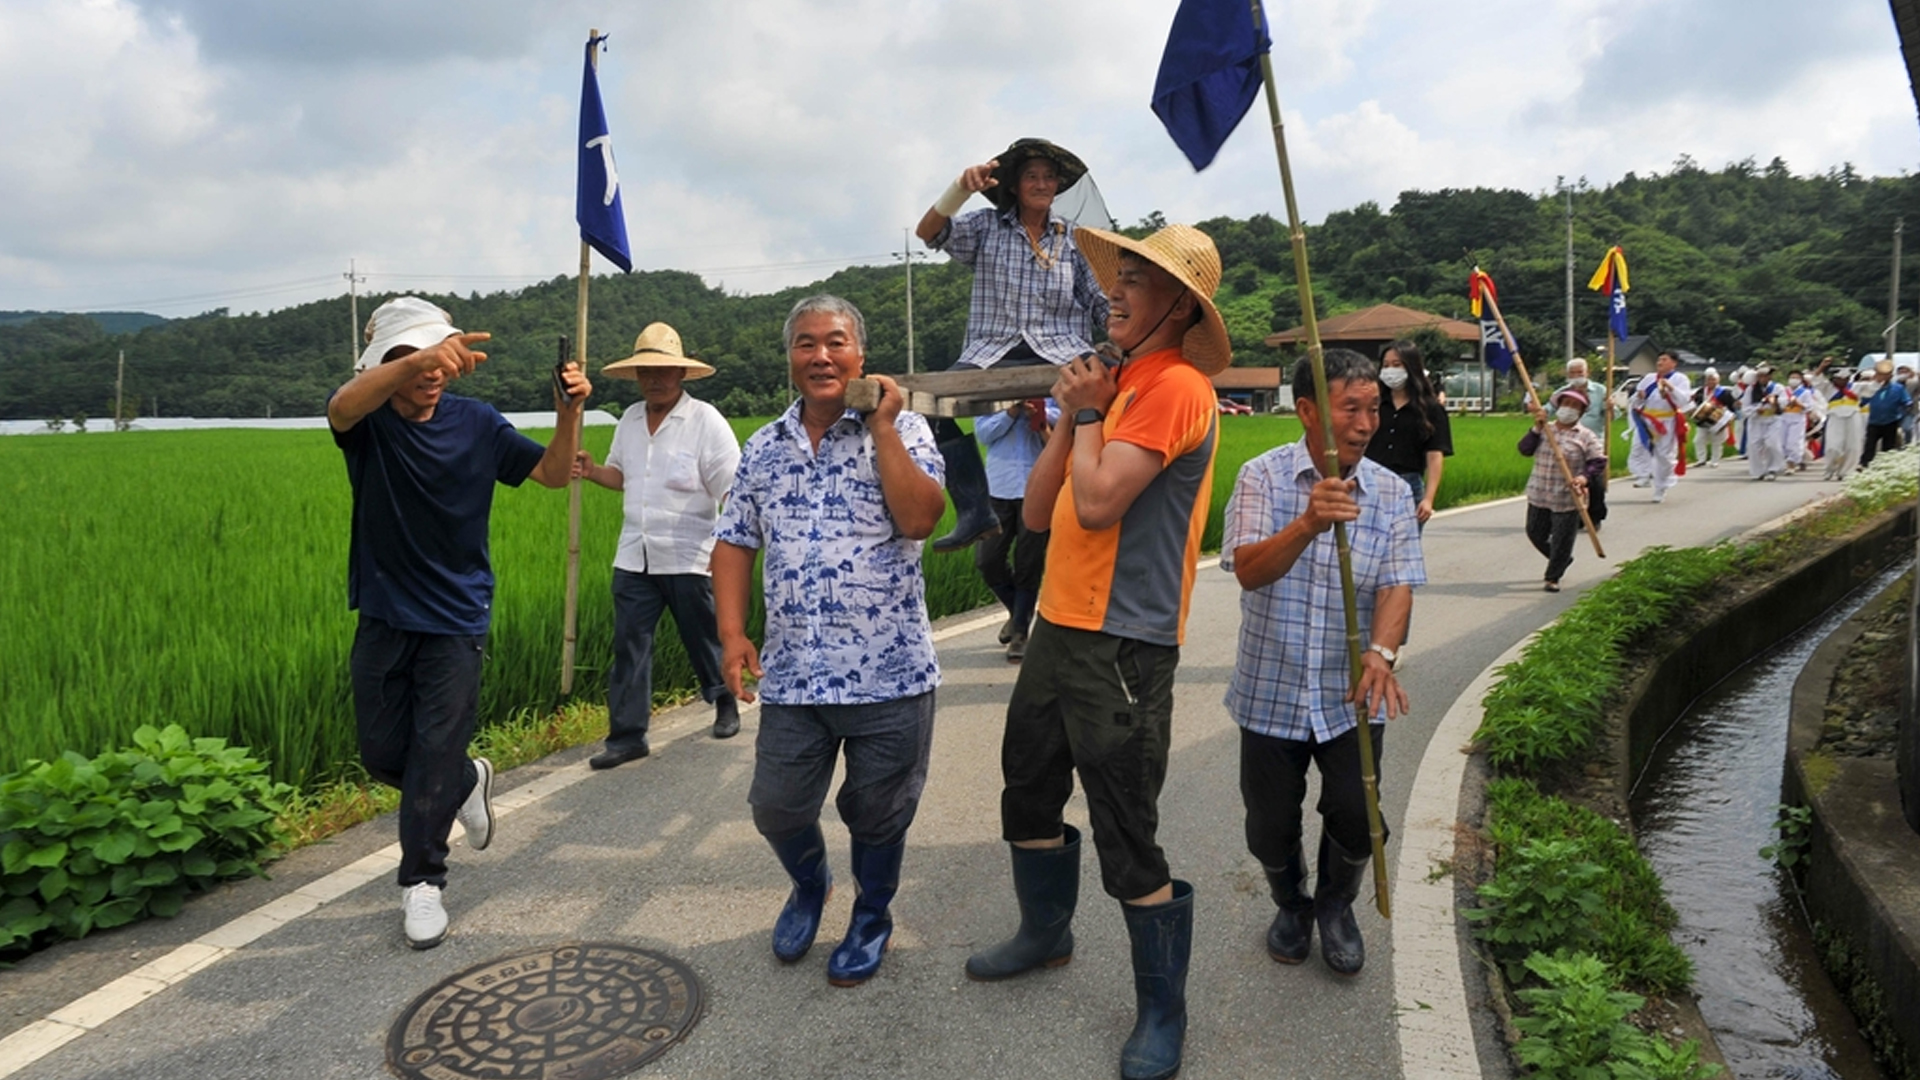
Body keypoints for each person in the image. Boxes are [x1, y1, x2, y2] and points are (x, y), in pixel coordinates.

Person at [966, 224, 1224, 1080]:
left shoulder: (1178, 387)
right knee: (1029, 786)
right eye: (1120, 276)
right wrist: (1074, 411)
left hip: (1125, 641)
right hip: (1059, 624)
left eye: (1138, 281)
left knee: (1125, 822)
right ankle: (1045, 933)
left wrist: (1085, 413)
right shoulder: (1116, 385)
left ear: (1181, 307)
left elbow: (1104, 500)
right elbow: (1042, 513)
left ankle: (1162, 1011)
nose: (1115, 291)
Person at [327, 296, 592, 950]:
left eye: (438, 356)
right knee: (382, 753)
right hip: (385, 611)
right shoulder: (369, 425)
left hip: (456, 615)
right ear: (386, 362)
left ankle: (423, 880)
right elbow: (340, 406)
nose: (433, 371)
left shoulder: (477, 422)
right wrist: (416, 359)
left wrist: (568, 414)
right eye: (415, 357)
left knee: (432, 751)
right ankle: (466, 779)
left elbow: (551, 473)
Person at [710, 295, 946, 988]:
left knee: (879, 813)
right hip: (794, 675)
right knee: (776, 806)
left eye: (835, 342)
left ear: (860, 356)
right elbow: (734, 541)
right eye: (806, 343)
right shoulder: (764, 446)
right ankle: (811, 886)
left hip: (890, 675)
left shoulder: (906, 429)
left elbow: (920, 519)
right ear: (790, 358)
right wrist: (732, 634)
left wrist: (883, 428)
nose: (821, 356)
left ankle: (871, 916)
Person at [1223, 348, 1423, 981]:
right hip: (1270, 688)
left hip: (1350, 694)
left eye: (1373, 409)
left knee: (1357, 817)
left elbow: (1398, 584)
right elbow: (1248, 569)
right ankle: (1292, 903)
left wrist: (1381, 652)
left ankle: (1336, 907)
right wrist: (1309, 522)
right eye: (1350, 409)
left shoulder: (1390, 491)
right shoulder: (1261, 477)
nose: (1365, 425)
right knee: (1268, 824)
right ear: (1308, 411)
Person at [916, 138, 1110, 552]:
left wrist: (1125, 332)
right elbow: (928, 232)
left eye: (1049, 177)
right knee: (924, 407)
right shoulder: (986, 227)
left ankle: (1100, 498)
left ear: (1057, 186)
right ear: (1015, 186)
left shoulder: (1073, 239)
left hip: (1061, 347)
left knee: (1117, 385)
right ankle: (974, 510)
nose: (1041, 184)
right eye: (1031, 177)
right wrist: (959, 189)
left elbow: (1097, 300)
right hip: (993, 350)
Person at [573, 323, 742, 768]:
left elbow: (731, 488)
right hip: (635, 555)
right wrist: (592, 470)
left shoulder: (704, 420)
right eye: (646, 371)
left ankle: (724, 700)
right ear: (636, 375)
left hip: (689, 555)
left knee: (704, 638)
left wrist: (730, 545)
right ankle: (627, 736)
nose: (654, 379)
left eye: (663, 371)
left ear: (681, 373)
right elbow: (621, 477)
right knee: (630, 645)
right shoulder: (630, 420)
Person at [972, 397, 1057, 662]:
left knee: (1029, 562)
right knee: (987, 559)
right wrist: (1011, 411)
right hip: (999, 486)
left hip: (1038, 485)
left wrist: (1040, 413)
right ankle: (1018, 611)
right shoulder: (994, 393)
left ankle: (1020, 632)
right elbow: (983, 433)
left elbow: (1066, 418)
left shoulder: (1049, 388)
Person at [1519, 387, 1609, 591]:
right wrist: (1536, 428)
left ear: (1582, 412)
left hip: (1567, 496)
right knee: (1535, 533)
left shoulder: (1586, 436)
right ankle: (1561, 559)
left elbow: (1598, 462)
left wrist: (1583, 478)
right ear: (1559, 406)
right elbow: (1525, 449)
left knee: (1562, 538)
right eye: (1566, 403)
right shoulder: (1545, 429)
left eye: (1575, 406)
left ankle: (1553, 576)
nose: (1569, 408)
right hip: (1540, 491)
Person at [1362, 339, 1451, 529]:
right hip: (1371, 482)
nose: (1390, 370)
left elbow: (1434, 455)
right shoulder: (1373, 405)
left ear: (1411, 367)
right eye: (1386, 365)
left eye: (1397, 365)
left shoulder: (1431, 409)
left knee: (1404, 544)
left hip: (1408, 485)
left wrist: (1428, 499)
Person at [1627, 351, 1691, 503]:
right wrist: (1639, 397)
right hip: (1647, 419)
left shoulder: (1680, 379)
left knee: (1664, 456)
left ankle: (1661, 488)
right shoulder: (1649, 378)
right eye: (1659, 359)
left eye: (1664, 359)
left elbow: (1684, 400)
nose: (1660, 362)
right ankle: (1643, 475)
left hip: (1666, 421)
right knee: (1638, 447)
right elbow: (1636, 399)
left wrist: (1670, 388)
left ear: (1673, 363)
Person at [1560, 358, 1610, 526]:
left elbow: (1612, 416)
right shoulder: (1562, 393)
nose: (1577, 376)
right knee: (1570, 480)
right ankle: (1574, 515)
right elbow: (1549, 409)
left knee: (1594, 479)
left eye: (1580, 372)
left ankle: (1595, 516)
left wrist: (1610, 407)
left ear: (1587, 373)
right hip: (1569, 441)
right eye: (1572, 373)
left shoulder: (1601, 391)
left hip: (1593, 441)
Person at [1861, 359, 1912, 468]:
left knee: (1888, 446)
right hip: (1873, 421)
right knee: (1870, 445)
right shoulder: (1871, 388)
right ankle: (1865, 465)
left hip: (1891, 421)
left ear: (1890, 376)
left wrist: (1904, 411)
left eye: (1886, 375)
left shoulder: (1898, 388)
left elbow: (1906, 401)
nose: (1883, 378)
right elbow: (1862, 401)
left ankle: (1885, 466)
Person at [1744, 365, 1789, 480]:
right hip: (1756, 420)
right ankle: (1758, 471)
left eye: (1765, 376)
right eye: (1760, 376)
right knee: (1754, 446)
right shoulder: (1750, 389)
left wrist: (1775, 402)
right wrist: (1756, 410)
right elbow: (1745, 408)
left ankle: (1772, 469)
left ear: (1770, 377)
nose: (1763, 378)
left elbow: (1784, 403)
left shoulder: (1778, 388)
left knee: (1772, 443)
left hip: (1773, 419)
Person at [1690, 368, 1738, 468]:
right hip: (1703, 419)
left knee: (1716, 441)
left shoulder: (1724, 392)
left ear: (1718, 380)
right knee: (1698, 440)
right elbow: (1696, 404)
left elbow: (1731, 407)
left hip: (1718, 419)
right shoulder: (1701, 391)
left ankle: (1715, 460)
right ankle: (1701, 459)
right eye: (1708, 379)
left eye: (1713, 379)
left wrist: (1729, 419)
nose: (1711, 382)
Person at [1822, 372, 1864, 480]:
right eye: (1838, 378)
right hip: (1835, 417)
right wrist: (1822, 367)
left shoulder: (1856, 386)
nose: (1841, 381)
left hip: (1853, 416)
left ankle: (1846, 472)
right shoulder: (1828, 388)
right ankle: (1830, 469)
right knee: (1832, 447)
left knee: (1852, 446)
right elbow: (1816, 380)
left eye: (1844, 378)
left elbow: (1874, 386)